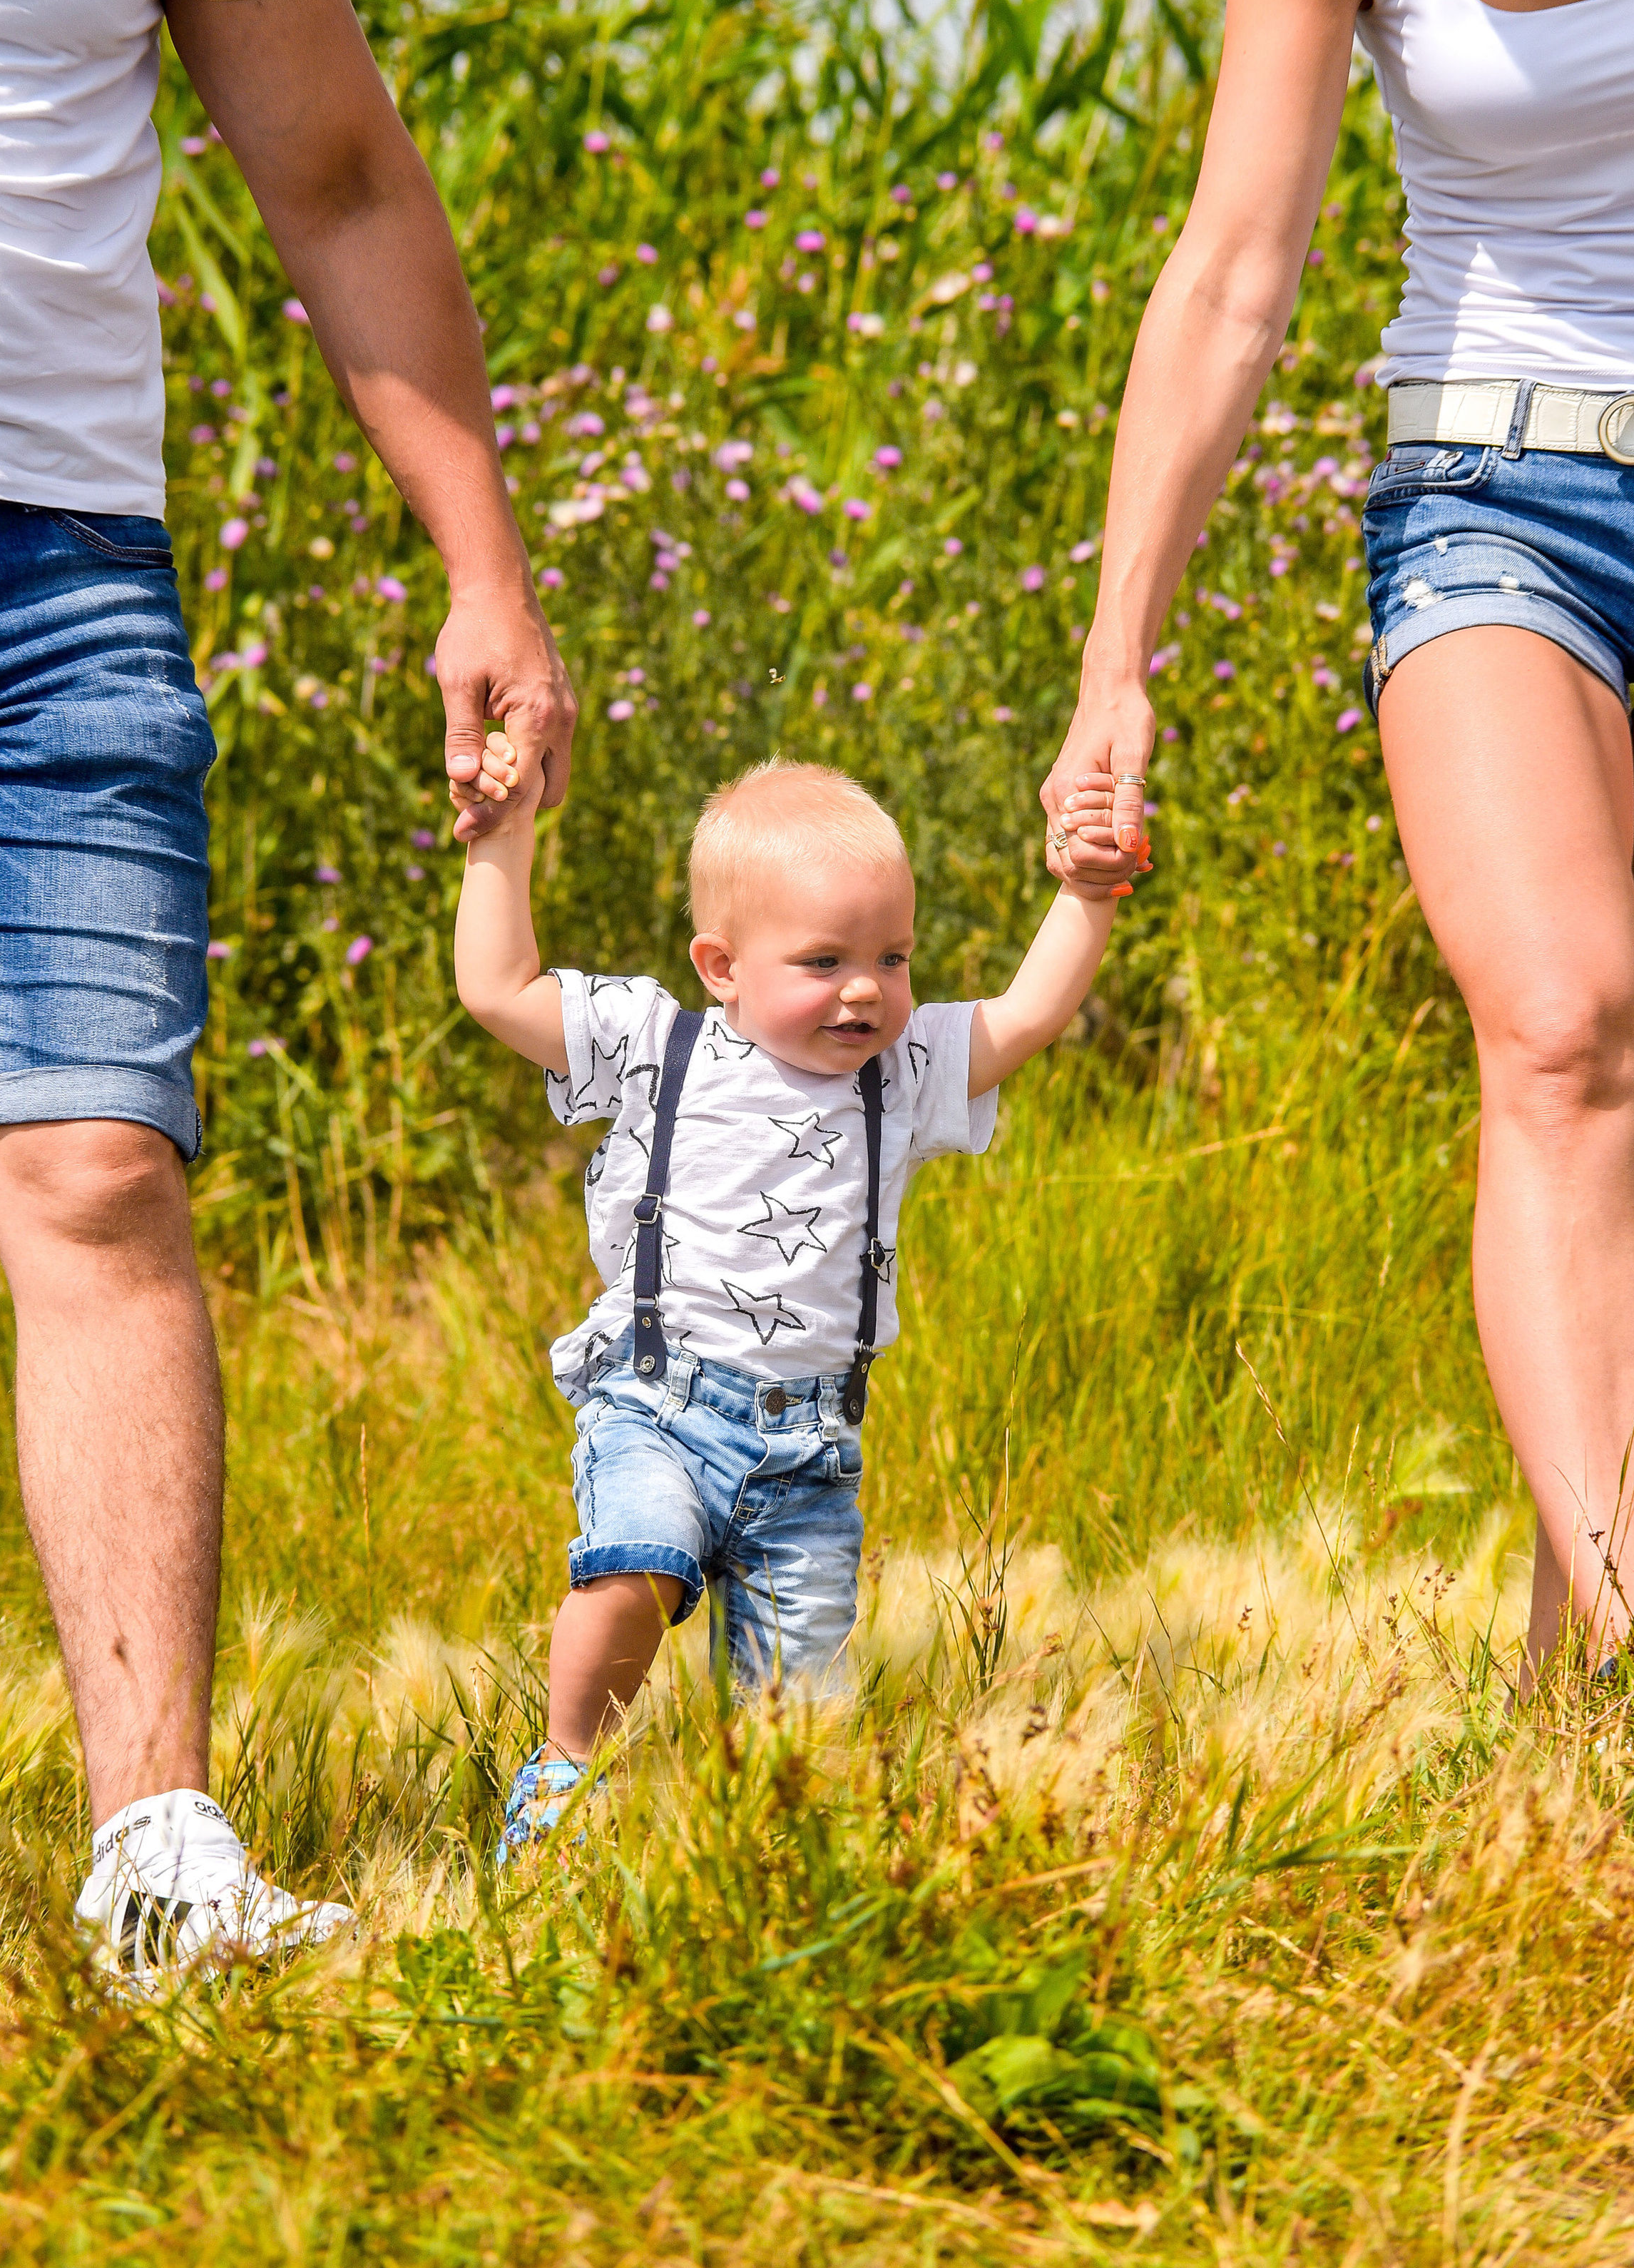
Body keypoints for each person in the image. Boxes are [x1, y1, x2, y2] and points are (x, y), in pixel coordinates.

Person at [0, 0, 573, 1980]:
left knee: (101, 1169)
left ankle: (156, 1858)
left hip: (60, 581)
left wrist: (483, 572)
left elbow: (344, 178)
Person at [1043, 0, 1634, 1679]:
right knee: (1562, 1026)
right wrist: (1119, 660)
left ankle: (1565, 1674)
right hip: (1496, 501)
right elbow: (1231, 276)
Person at [451, 748, 1147, 1842]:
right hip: (659, 1407)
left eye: (893, 955)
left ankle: (762, 1868)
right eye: (823, 959)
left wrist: (1086, 895)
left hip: (812, 1460)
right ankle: (564, 1774)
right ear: (721, 964)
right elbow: (497, 988)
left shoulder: (902, 1073)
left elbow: (1025, 1015)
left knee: (801, 1738)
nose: (867, 987)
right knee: (633, 1566)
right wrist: (503, 838)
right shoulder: (654, 1044)